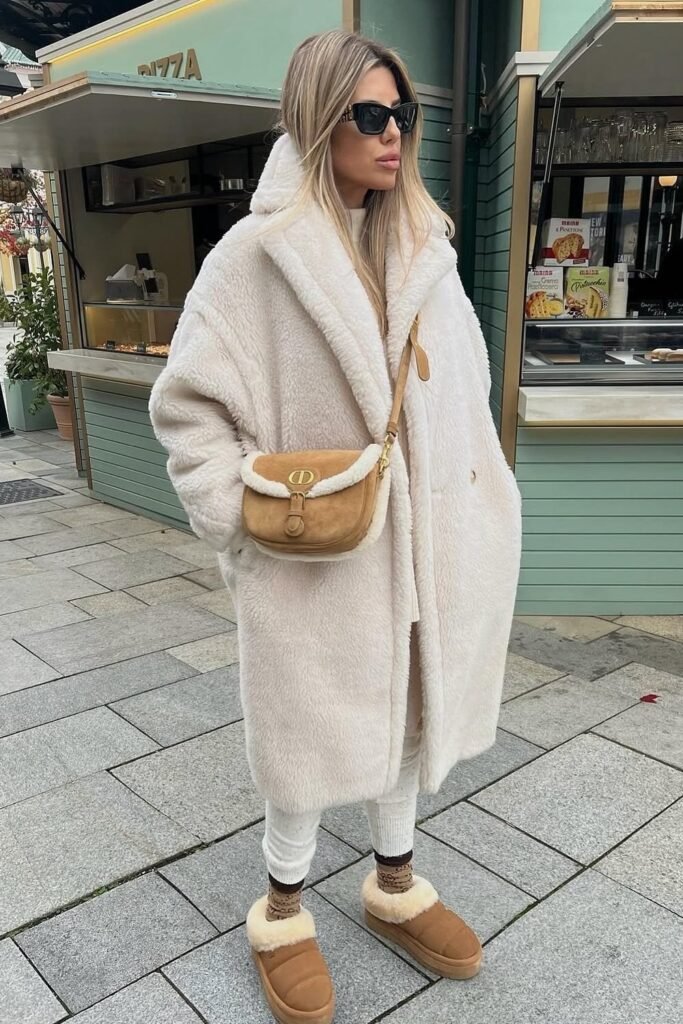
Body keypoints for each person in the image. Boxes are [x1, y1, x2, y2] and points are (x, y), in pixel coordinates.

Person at [149, 29, 522, 1024]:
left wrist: (482, 500)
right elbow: (186, 409)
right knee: (304, 738)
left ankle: (393, 881)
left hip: (427, 548)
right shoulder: (252, 258)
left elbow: (467, 395)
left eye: (403, 113)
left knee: (407, 715)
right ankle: (279, 910)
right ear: (321, 120)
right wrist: (239, 522)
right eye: (369, 114)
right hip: (312, 553)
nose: (393, 132)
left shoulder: (427, 248)